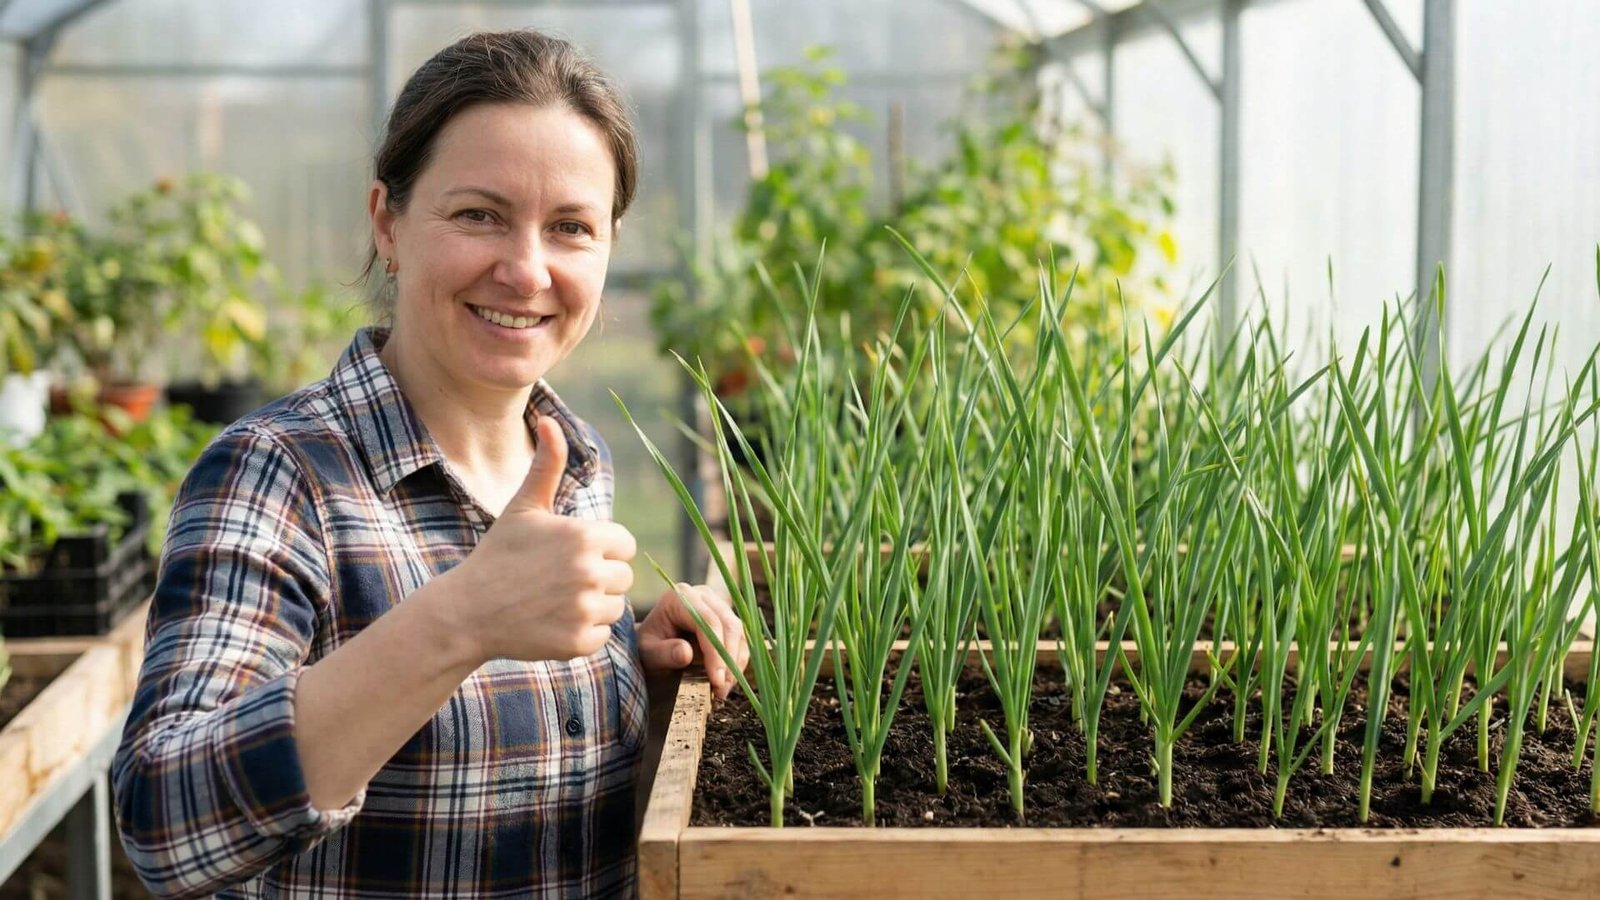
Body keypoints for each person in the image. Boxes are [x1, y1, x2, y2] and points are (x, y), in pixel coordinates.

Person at [112, 29, 749, 898]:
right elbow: (163, 823)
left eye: (570, 228)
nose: (527, 270)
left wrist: (635, 669)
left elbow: (498, 750)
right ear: (389, 223)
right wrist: (457, 621)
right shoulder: (278, 473)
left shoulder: (575, 461)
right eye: (479, 215)